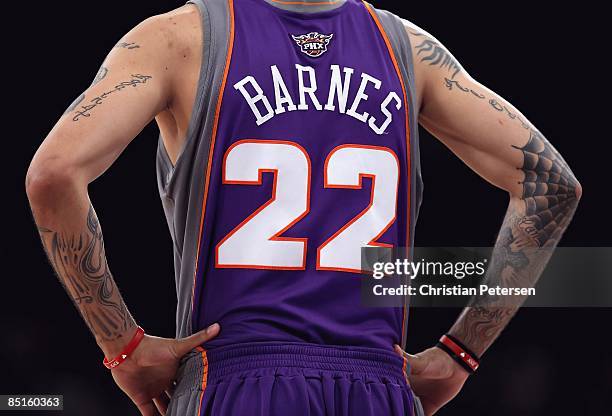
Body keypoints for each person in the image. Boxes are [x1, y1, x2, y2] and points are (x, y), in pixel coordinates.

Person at [25, 0, 581, 415]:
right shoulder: (408, 49)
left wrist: (122, 346)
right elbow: (553, 186)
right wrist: (461, 353)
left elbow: (53, 174)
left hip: (233, 378)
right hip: (377, 384)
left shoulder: (176, 39)